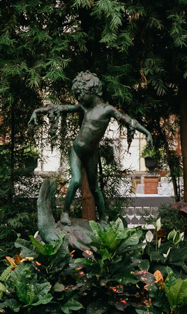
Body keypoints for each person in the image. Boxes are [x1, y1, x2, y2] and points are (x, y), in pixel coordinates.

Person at [30, 72, 153, 223]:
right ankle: (65, 214)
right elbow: (61, 108)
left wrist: (146, 132)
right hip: (77, 151)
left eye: (80, 94)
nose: (78, 98)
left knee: (94, 188)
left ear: (91, 91)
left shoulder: (108, 110)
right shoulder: (83, 108)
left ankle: (103, 219)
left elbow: (129, 121)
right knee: (75, 181)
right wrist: (38, 111)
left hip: (91, 154)